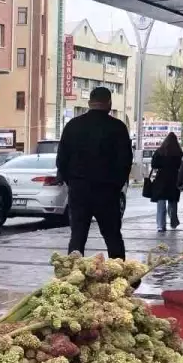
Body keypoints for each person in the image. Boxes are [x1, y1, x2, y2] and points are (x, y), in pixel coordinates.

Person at [56, 86, 133, 259]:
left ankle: (73, 276)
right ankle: (119, 276)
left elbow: (62, 159)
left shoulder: (73, 126)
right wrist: (116, 185)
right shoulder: (118, 128)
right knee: (112, 236)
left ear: (89, 103)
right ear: (109, 104)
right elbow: (125, 161)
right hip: (107, 192)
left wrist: (73, 182)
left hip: (79, 189)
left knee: (77, 237)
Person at [149, 132, 183, 232]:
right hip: (174, 179)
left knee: (161, 203)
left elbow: (154, 165)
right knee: (173, 202)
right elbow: (181, 166)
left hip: (161, 180)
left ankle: (161, 225)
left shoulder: (160, 151)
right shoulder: (179, 153)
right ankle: (173, 221)